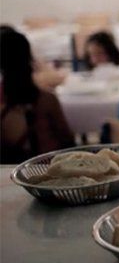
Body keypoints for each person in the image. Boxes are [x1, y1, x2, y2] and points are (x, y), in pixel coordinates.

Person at [1, 28, 75, 164]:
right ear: (29, 58)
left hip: (6, 171)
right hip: (46, 169)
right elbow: (68, 141)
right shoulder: (47, 100)